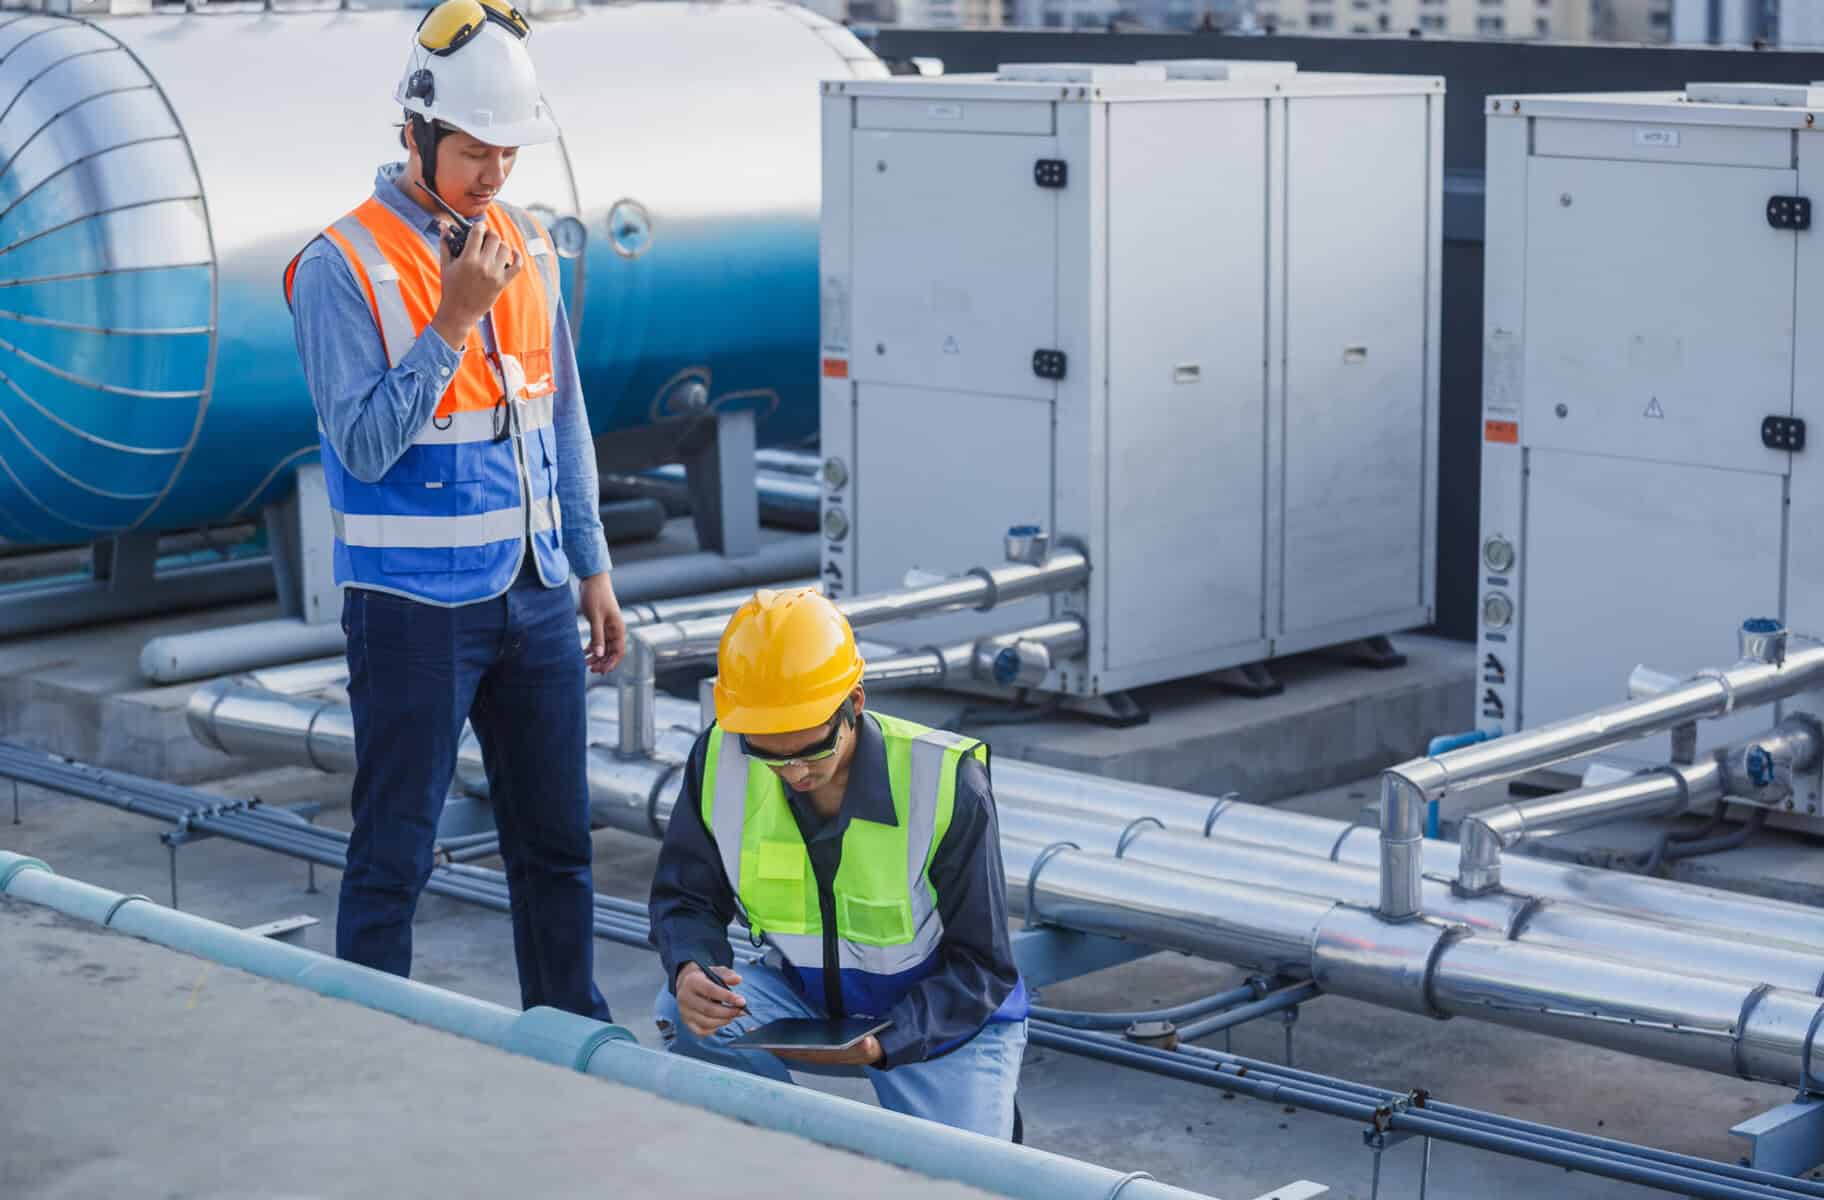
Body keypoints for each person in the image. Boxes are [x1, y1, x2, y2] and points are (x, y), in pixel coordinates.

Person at [284, 0, 623, 1020]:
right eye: (475, 152)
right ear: (416, 136)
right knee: (395, 851)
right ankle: (377, 1040)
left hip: (534, 595)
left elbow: (562, 416)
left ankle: (570, 1032)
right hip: (412, 609)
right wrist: (452, 320)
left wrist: (592, 567)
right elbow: (364, 444)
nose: (494, 176)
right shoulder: (342, 266)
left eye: (507, 155)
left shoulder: (526, 243)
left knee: (557, 845)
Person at [648, 588, 1029, 1137]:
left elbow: (984, 967)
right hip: (807, 1002)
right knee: (685, 1013)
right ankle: (791, 1154)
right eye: (768, 752)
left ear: (854, 703)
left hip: (942, 1022)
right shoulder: (720, 761)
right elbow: (685, 897)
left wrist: (888, 1041)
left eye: (812, 749)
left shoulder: (944, 783)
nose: (793, 772)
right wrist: (690, 966)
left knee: (968, 1180)